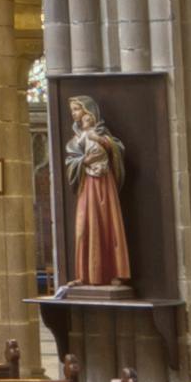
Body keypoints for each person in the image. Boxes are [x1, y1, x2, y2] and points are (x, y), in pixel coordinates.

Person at [64, 96, 131, 291]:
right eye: (73, 110)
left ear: (89, 113)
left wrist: (101, 141)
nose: (74, 113)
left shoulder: (103, 135)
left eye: (77, 109)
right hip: (87, 186)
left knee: (109, 222)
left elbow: (117, 149)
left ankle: (117, 272)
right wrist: (84, 161)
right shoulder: (75, 140)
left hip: (105, 183)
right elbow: (71, 162)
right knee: (84, 227)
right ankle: (84, 274)